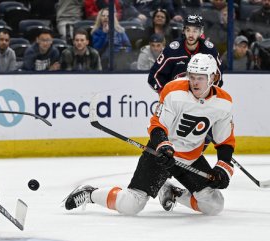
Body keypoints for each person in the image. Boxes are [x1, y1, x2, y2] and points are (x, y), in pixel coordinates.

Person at [64, 53, 235, 217]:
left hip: (191, 158)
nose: (194, 83)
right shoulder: (174, 90)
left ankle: (173, 192)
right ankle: (90, 193)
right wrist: (164, 146)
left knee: (214, 205)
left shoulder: (223, 102)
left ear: (212, 77)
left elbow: (225, 140)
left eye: (200, 78)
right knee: (131, 205)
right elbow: (157, 125)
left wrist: (223, 168)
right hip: (161, 153)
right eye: (192, 76)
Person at [148, 14, 223, 93]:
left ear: (201, 32)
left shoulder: (209, 51)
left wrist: (209, 93)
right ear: (183, 31)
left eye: (195, 31)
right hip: (176, 97)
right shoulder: (172, 50)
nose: (191, 34)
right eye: (188, 30)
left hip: (201, 98)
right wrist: (164, 92)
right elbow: (154, 75)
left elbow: (218, 76)